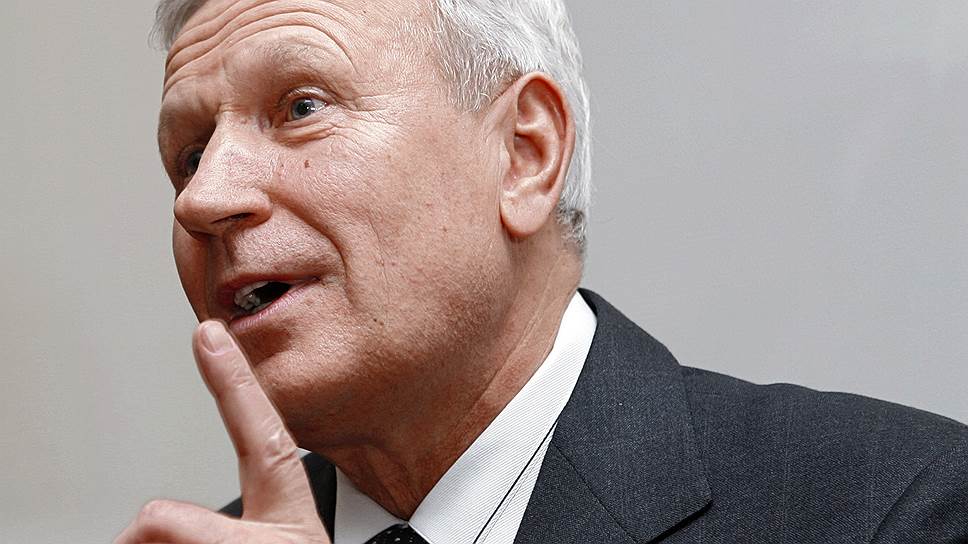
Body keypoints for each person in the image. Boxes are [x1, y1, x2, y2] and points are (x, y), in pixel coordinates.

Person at [117, 0, 968, 542]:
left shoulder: (896, 507)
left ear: (524, 154)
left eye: (302, 106)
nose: (203, 198)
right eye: (188, 156)